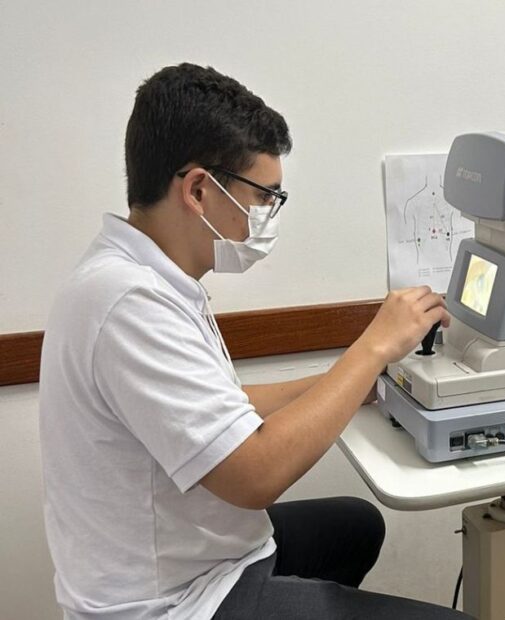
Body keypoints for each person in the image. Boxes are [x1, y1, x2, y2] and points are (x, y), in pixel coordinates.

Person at [39, 63, 467, 619]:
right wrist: (372, 349)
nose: (267, 214)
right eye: (265, 195)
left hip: (198, 556)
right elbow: (255, 475)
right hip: (170, 602)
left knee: (354, 525)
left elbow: (225, 405)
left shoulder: (144, 275)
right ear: (198, 189)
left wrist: (359, 381)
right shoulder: (127, 302)